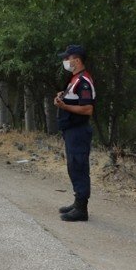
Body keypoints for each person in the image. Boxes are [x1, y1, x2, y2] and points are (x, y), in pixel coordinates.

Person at [54, 44, 96, 221]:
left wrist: (64, 106)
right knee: (73, 166)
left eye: (68, 58)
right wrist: (62, 96)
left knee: (79, 166)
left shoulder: (84, 81)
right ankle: (77, 202)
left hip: (78, 131)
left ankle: (82, 209)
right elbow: (75, 100)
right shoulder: (74, 79)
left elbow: (87, 109)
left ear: (77, 60)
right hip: (71, 130)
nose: (65, 61)